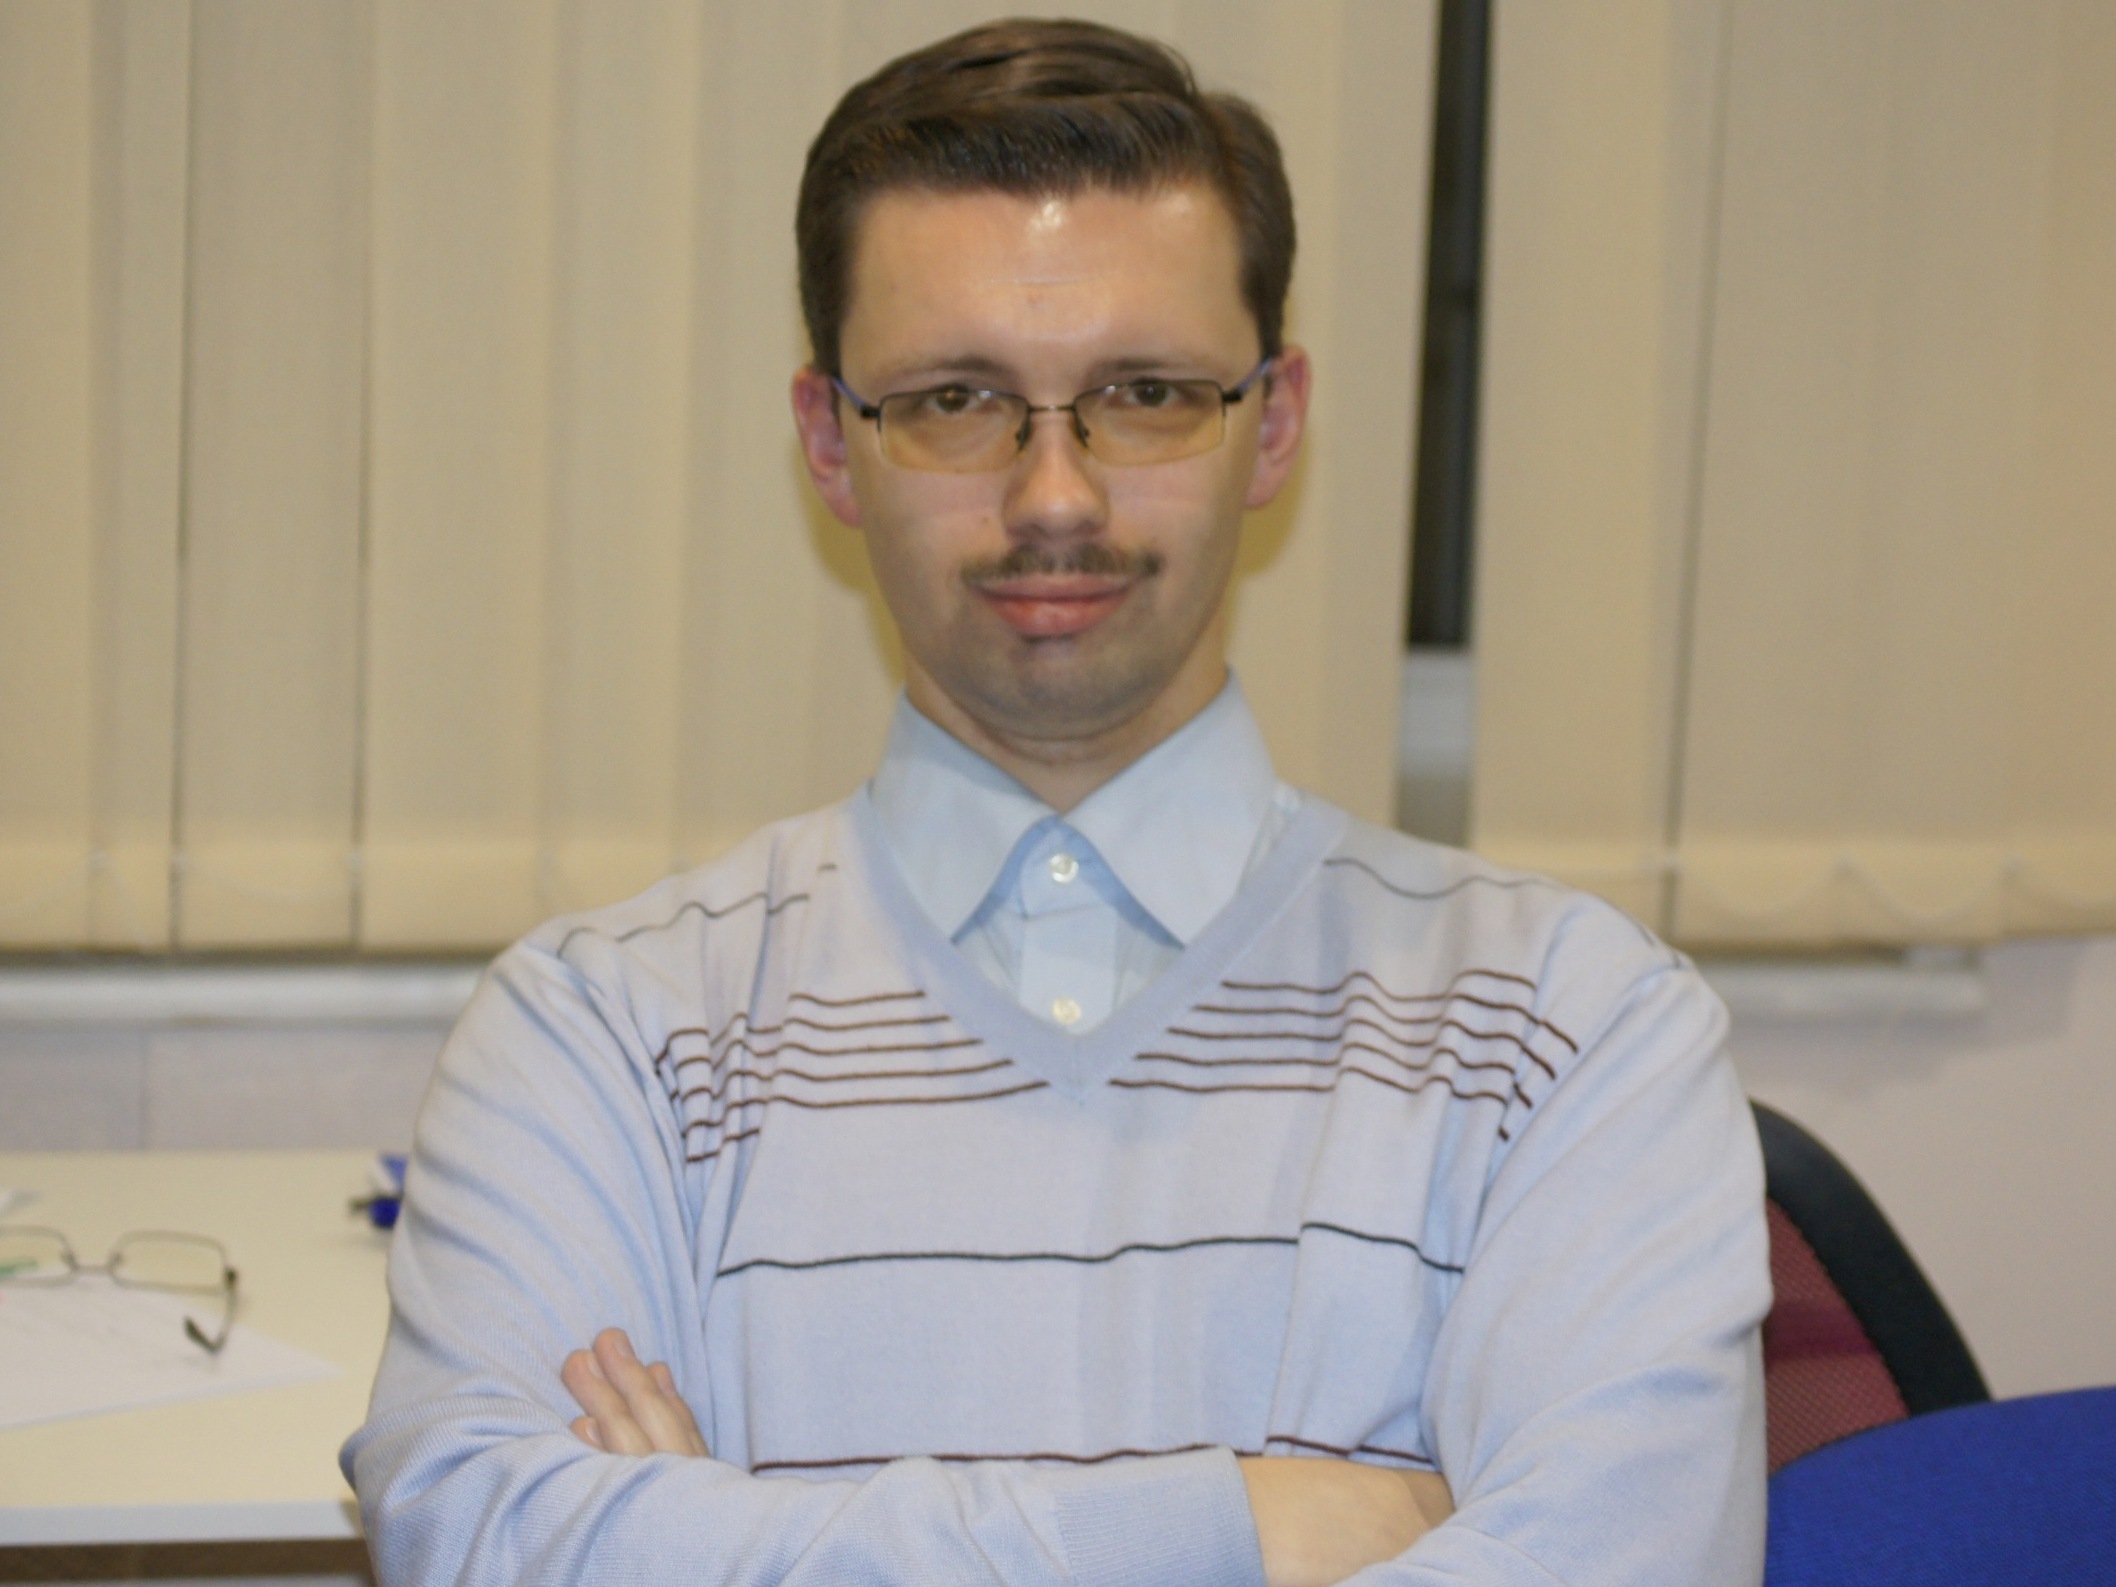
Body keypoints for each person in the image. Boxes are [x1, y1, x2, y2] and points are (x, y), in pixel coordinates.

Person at [343, 19, 1768, 1587]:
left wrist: (726, 1544)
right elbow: (475, 1536)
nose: (1055, 497)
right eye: (955, 399)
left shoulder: (1569, 1035)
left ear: (1275, 422)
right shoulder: (602, 1038)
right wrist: (1239, 1529)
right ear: (830, 443)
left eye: (1145, 393)